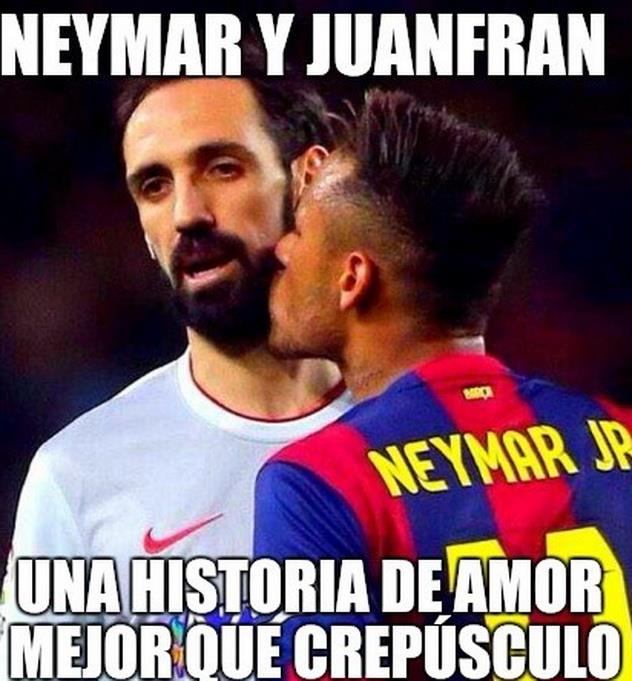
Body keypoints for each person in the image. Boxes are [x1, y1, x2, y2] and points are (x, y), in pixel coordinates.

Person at [255, 89, 632, 677]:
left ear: (353, 279)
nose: (280, 248)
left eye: (299, 229)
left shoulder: (320, 481)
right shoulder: (618, 431)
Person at [0, 47, 353, 671]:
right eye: (155, 186)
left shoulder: (441, 436)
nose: (187, 213)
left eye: (222, 168)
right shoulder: (77, 476)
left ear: (309, 177)